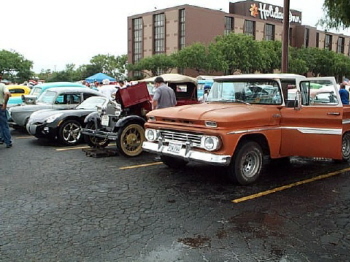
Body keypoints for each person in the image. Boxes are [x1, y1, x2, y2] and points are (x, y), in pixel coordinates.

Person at [0, 74, 13, 148]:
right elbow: (7, 94)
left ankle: (1, 138)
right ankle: (8, 142)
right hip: (1, 106)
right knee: (4, 125)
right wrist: (5, 103)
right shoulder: (2, 85)